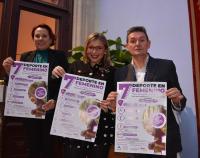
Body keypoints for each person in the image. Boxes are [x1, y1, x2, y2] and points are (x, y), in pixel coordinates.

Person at [106, 26, 186, 158]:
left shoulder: (166, 66)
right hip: (135, 142)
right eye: (133, 41)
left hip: (163, 141)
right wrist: (113, 107)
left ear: (148, 44)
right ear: (127, 46)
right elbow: (120, 109)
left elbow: (181, 102)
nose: (137, 44)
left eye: (142, 40)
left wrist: (177, 100)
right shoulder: (120, 73)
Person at [2, 24, 68, 158]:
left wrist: (55, 100)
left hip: (50, 112)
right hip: (30, 112)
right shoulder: (25, 56)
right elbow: (16, 84)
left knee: (50, 150)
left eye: (44, 36)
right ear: (33, 38)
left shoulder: (60, 56)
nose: (40, 38)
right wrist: (9, 72)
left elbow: (66, 84)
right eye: (37, 36)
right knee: (32, 149)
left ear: (51, 40)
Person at [52, 32, 115, 158]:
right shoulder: (74, 66)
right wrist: (54, 75)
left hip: (100, 129)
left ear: (105, 50)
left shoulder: (113, 72)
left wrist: (110, 104)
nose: (94, 52)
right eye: (91, 47)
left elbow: (114, 102)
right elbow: (62, 93)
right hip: (74, 127)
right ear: (86, 49)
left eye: (99, 48)